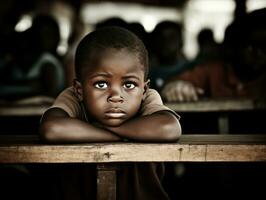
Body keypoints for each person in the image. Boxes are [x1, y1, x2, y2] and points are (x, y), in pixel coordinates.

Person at [39, 26, 181, 200]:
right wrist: (122, 135)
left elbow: (169, 128)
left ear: (144, 89)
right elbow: (51, 129)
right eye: (101, 84)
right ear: (79, 89)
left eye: (129, 85)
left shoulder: (147, 98)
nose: (116, 97)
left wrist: (102, 129)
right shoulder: (73, 97)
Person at [161, 8, 266, 102]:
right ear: (235, 46)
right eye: (252, 45)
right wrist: (177, 88)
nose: (259, 53)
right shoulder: (215, 71)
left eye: (264, 47)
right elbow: (175, 83)